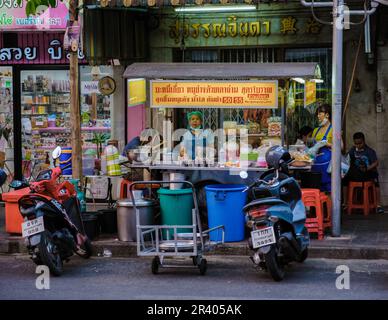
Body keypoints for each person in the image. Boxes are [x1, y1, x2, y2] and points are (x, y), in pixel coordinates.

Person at [343, 132, 384, 213]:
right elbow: (347, 159)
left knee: (375, 179)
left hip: (368, 172)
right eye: (356, 143)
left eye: (360, 143)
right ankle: (345, 204)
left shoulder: (369, 151)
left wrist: (367, 168)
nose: (358, 145)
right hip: (356, 174)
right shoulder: (353, 150)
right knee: (344, 179)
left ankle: (378, 205)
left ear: (364, 141)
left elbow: (376, 163)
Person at [310, 104, 333, 192]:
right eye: (317, 114)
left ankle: (331, 206)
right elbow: (312, 146)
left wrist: (326, 144)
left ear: (327, 115)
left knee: (328, 189)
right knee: (316, 190)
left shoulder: (334, 129)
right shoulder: (316, 130)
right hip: (315, 165)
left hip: (328, 167)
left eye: (320, 114)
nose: (318, 116)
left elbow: (341, 147)